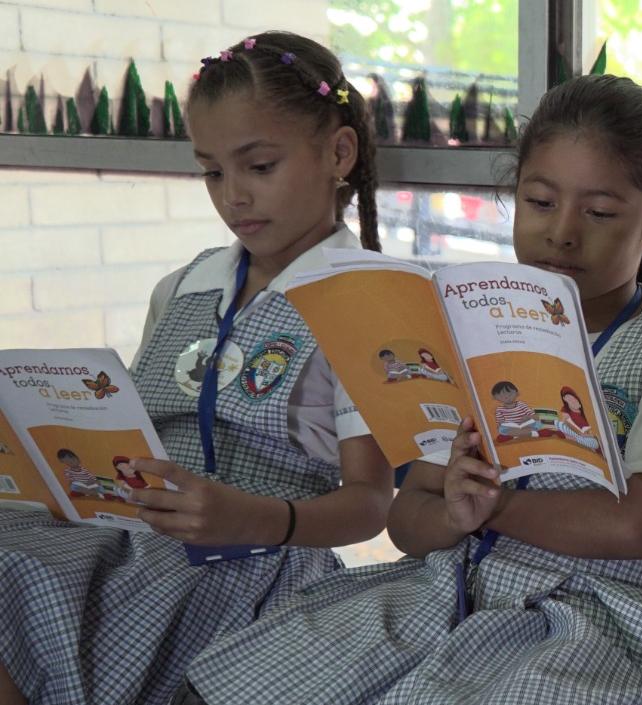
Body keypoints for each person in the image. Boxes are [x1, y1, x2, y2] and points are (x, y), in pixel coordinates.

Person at [186, 74, 642, 704]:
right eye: (539, 202)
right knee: (232, 684)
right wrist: (449, 513)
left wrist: (493, 508)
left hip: (587, 624)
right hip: (439, 594)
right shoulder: (464, 330)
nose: (563, 232)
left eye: (601, 212)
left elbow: (636, 527)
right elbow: (406, 519)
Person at [0, 31, 393, 705]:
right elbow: (132, 430)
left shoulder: (368, 302)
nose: (233, 196)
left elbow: (370, 503)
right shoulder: (185, 286)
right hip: (136, 534)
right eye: (212, 172)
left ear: (339, 152)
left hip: (257, 559)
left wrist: (257, 518)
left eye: (259, 166)